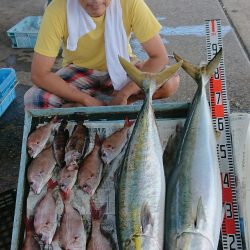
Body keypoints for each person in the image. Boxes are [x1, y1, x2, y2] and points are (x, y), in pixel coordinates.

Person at [24, 0, 180, 109]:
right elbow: (39, 74)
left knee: (169, 81)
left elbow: (159, 57)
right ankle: (91, 102)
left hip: (122, 66)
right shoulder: (58, 8)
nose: (96, 1)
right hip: (79, 70)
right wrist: (85, 99)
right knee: (35, 98)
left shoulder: (131, 2)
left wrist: (125, 92)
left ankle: (120, 102)